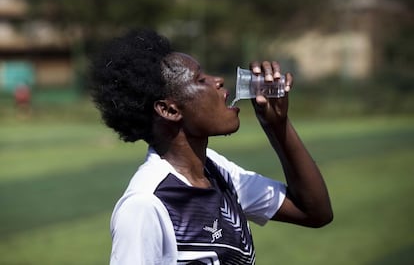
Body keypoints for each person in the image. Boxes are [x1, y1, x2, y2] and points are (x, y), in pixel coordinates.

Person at [90, 29, 333, 265]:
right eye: (200, 79)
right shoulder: (146, 204)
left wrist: (277, 126)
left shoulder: (218, 173)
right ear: (170, 110)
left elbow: (313, 211)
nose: (218, 81)